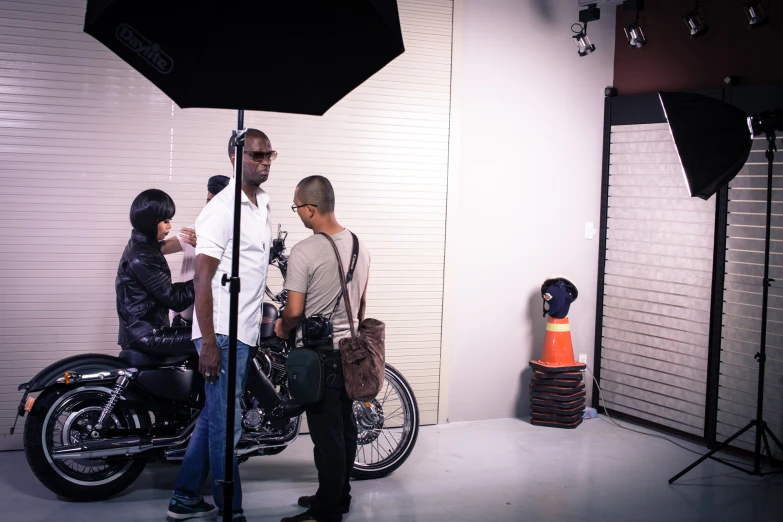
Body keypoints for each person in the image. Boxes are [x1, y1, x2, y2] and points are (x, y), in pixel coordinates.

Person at [167, 129, 275, 522]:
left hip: (243, 328)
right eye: (256, 155)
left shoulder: (261, 202)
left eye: (269, 155)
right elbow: (202, 277)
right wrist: (209, 342)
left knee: (216, 417)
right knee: (227, 425)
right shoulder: (220, 210)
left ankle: (183, 497)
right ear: (235, 157)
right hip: (223, 332)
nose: (264, 162)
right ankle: (232, 511)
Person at [274, 176, 370, 522]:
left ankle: (326, 511)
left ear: (310, 208)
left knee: (325, 435)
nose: (298, 213)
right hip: (350, 352)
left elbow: (295, 311)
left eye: (297, 206)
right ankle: (337, 496)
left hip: (320, 357)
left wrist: (282, 327)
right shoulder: (359, 245)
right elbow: (360, 304)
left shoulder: (305, 251)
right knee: (344, 427)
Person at [116, 189, 195, 355]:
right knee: (214, 337)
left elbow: (165, 289)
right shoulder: (142, 256)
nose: (170, 226)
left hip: (141, 331)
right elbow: (176, 300)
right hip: (147, 335)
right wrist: (206, 278)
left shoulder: (143, 245)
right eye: (166, 221)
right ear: (150, 222)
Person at [161, 175, 231, 326]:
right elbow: (161, 248)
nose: (209, 207)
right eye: (208, 201)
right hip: (183, 321)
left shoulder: (233, 236)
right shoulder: (195, 228)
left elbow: (231, 272)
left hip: (212, 326)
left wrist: (202, 247)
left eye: (215, 202)